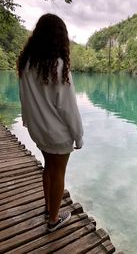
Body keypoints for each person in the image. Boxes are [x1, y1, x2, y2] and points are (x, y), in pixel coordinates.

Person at [17, 13, 83, 232]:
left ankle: (48, 208)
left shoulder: (26, 65)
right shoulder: (59, 65)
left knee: (49, 168)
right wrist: (79, 136)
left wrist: (28, 123)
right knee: (58, 173)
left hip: (39, 132)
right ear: (60, 38)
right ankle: (54, 220)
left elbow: (24, 99)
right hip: (58, 134)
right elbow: (68, 108)